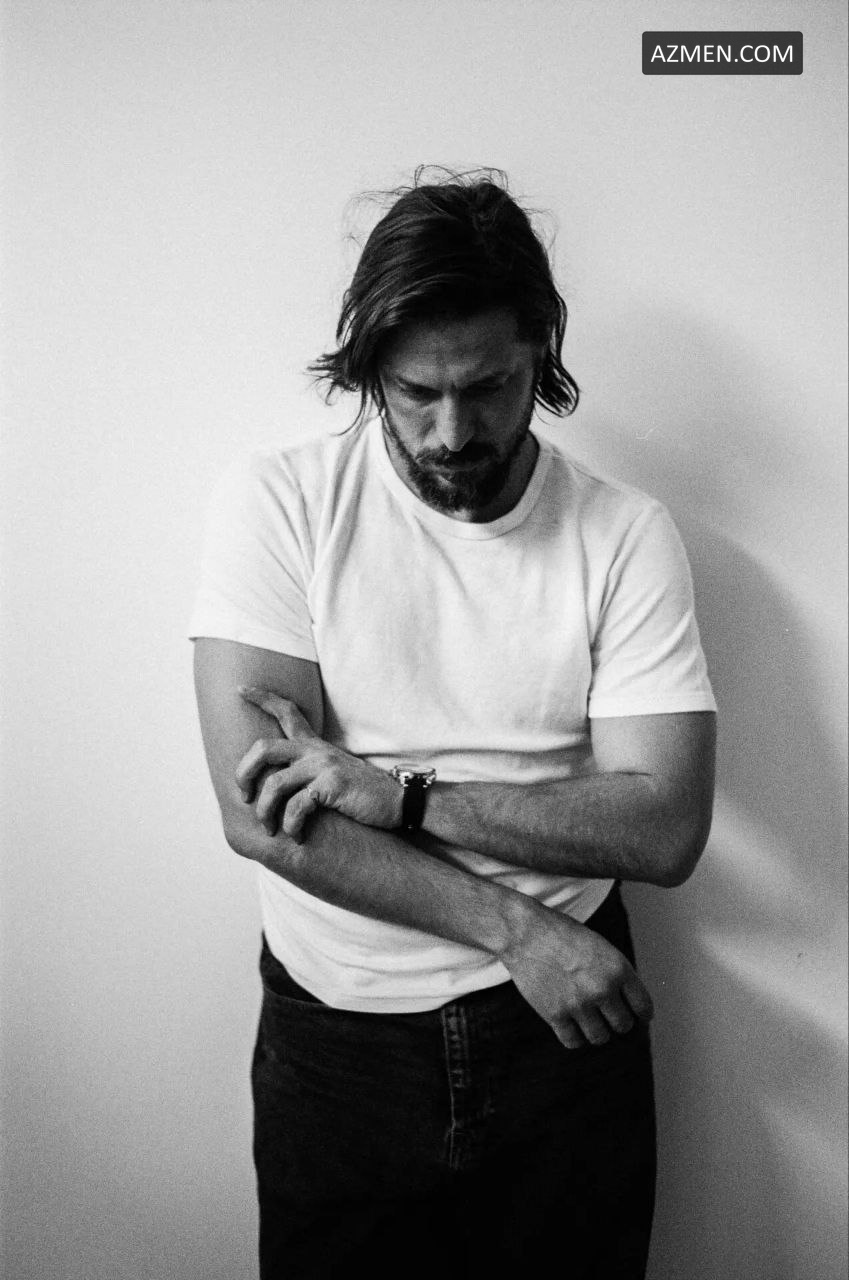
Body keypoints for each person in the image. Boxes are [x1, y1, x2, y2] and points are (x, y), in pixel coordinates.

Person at [190, 169, 717, 1280]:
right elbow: (262, 815)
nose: (450, 431)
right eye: (415, 391)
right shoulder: (280, 503)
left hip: (568, 1034)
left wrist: (400, 796)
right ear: (369, 369)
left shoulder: (623, 533)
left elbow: (667, 825)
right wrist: (518, 930)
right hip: (346, 1035)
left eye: (488, 387)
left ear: (540, 354)